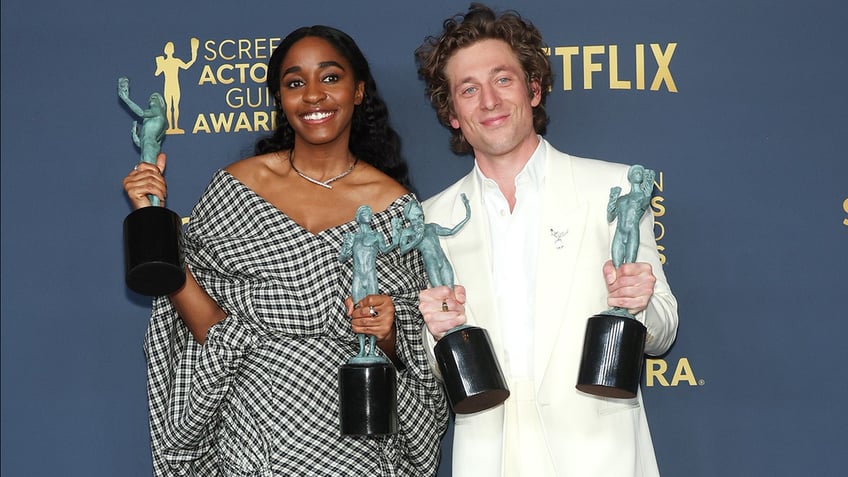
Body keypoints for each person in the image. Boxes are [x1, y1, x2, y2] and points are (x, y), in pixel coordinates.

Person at [123, 25, 447, 476]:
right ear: (280, 97)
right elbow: (211, 329)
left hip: (354, 449)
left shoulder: (395, 209)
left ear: (358, 91)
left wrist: (387, 331)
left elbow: (407, 360)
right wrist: (151, 218)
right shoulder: (236, 189)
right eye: (296, 83)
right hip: (253, 437)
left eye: (330, 78)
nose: (313, 95)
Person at [413, 4, 679, 476]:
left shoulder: (613, 189)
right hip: (489, 461)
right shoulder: (433, 218)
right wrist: (438, 334)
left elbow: (662, 328)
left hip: (602, 458)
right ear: (452, 114)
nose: (489, 101)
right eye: (468, 90)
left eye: (503, 79)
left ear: (533, 89)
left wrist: (640, 305)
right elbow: (442, 370)